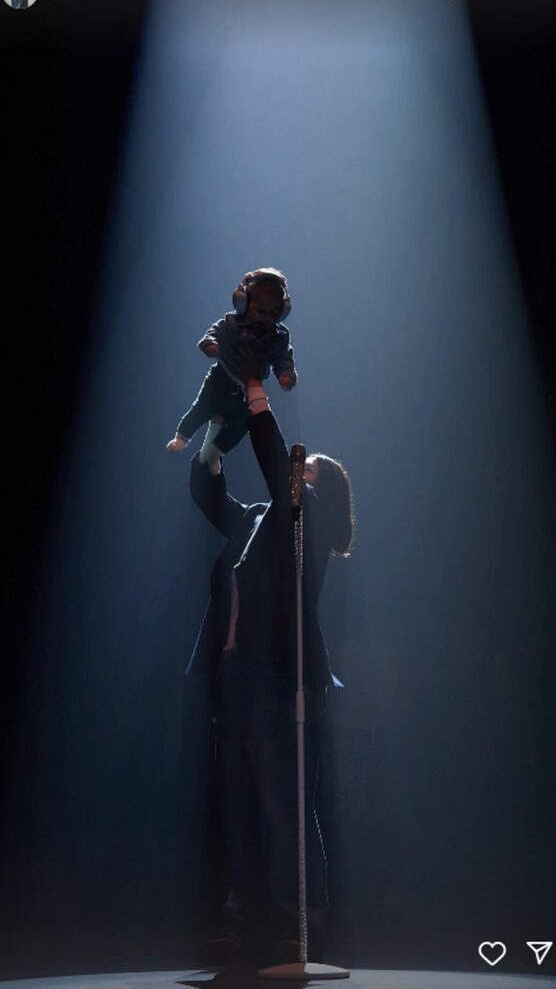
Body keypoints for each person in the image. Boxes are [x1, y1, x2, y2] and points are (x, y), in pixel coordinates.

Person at [184, 344, 353, 964]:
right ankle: (245, 915)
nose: (298, 474)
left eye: (310, 473)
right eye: (299, 470)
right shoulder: (258, 518)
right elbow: (209, 499)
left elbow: (273, 455)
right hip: (233, 676)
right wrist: (209, 449)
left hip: (278, 679)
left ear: (323, 494)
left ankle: (298, 917)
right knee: (237, 801)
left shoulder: (305, 527)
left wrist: (256, 393)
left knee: (283, 801)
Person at [166, 268, 297, 475]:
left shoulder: (278, 336)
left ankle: (216, 453)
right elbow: (214, 333)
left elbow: (283, 358)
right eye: (259, 310)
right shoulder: (232, 322)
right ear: (242, 302)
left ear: (282, 312)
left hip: (248, 389)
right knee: (202, 408)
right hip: (222, 377)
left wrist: (286, 374)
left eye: (272, 313)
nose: (265, 317)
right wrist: (210, 344)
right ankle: (181, 438)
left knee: (242, 425)